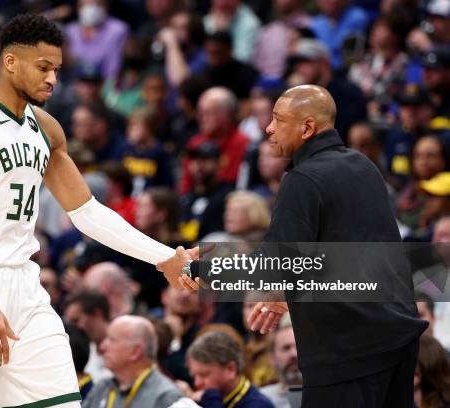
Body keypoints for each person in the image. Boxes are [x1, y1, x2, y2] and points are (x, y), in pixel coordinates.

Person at [0, 13, 192, 407]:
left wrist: (164, 257)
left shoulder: (46, 128)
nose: (52, 79)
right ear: (10, 62)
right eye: (43, 67)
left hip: (25, 287)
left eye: (57, 70)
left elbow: (88, 212)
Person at [160, 85, 429, 407]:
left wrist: (193, 268)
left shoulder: (304, 179)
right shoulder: (364, 167)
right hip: (397, 335)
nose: (268, 128)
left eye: (278, 119)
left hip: (348, 347)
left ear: (307, 127)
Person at [83, 315, 183, 408]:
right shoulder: (102, 388)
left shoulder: (165, 397)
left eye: (112, 340)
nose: (102, 347)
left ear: (135, 352)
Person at [184, 331, 274, 407]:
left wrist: (211, 400)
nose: (197, 383)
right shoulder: (203, 399)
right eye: (194, 376)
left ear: (231, 369)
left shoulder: (258, 404)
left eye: (204, 375)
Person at [259, 317, 301, 408]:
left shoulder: (327, 395)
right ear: (272, 357)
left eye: (298, 347)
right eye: (286, 348)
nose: (293, 354)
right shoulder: (261, 399)